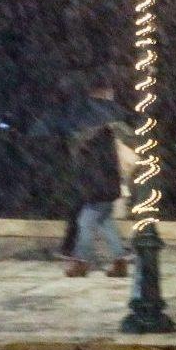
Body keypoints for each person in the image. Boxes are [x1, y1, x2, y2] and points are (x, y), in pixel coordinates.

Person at [64, 79, 135, 279]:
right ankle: (119, 260)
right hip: (107, 185)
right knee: (105, 222)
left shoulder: (94, 137)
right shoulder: (108, 132)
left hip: (97, 187)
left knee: (85, 222)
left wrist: (78, 147)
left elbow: (93, 165)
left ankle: (81, 263)